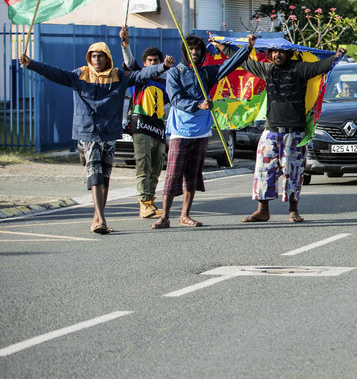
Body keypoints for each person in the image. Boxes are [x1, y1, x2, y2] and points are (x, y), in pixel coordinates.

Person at [21, 43, 173, 234]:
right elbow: (55, 73)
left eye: (100, 56)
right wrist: (31, 64)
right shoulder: (80, 74)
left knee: (106, 176)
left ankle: (97, 218)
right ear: (89, 58)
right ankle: (101, 218)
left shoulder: (117, 75)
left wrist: (163, 67)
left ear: (107, 58)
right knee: (95, 173)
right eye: (93, 56)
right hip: (89, 132)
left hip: (109, 132)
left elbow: (140, 75)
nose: (97, 60)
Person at [233, 38, 344, 224]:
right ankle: (262, 210)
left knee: (293, 172)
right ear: (269, 54)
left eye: (281, 51)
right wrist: (222, 47)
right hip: (270, 131)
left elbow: (319, 67)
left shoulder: (300, 69)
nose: (277, 54)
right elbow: (244, 61)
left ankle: (293, 210)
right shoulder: (267, 70)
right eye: (274, 51)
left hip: (295, 133)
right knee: (263, 171)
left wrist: (336, 56)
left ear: (289, 53)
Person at [153, 34, 251, 230]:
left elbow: (231, 64)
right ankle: (164, 216)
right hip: (180, 131)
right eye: (191, 49)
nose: (195, 52)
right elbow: (175, 100)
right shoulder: (175, 73)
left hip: (202, 131)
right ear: (185, 51)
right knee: (173, 174)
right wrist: (199, 104)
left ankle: (185, 215)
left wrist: (247, 48)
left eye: (198, 49)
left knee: (193, 174)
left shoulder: (207, 73)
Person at [119, 26, 169, 219]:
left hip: (158, 128)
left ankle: (151, 202)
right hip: (141, 127)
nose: (153, 64)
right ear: (144, 63)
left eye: (156, 61)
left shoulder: (164, 82)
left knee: (156, 167)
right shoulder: (138, 77)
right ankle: (144, 203)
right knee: (143, 164)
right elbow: (128, 61)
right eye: (149, 61)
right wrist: (125, 43)